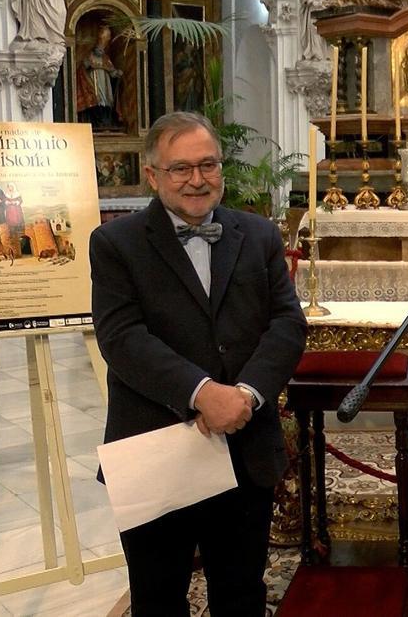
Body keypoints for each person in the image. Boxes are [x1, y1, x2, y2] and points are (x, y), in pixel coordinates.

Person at [90, 112, 308, 616]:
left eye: (207, 164)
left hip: (243, 443)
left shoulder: (258, 235)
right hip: (156, 443)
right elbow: (122, 338)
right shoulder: (115, 244)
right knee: (159, 596)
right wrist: (202, 391)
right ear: (153, 176)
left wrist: (246, 394)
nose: (196, 179)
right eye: (180, 168)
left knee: (240, 593)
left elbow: (287, 324)